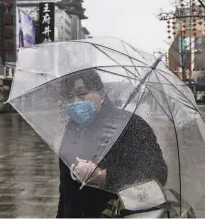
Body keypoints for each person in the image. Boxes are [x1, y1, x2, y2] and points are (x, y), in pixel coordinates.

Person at [56, 69, 168, 218]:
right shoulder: (72, 129)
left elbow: (157, 174)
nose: (75, 102)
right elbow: (65, 192)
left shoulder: (131, 126)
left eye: (82, 94)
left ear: (101, 95)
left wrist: (102, 176)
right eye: (69, 97)